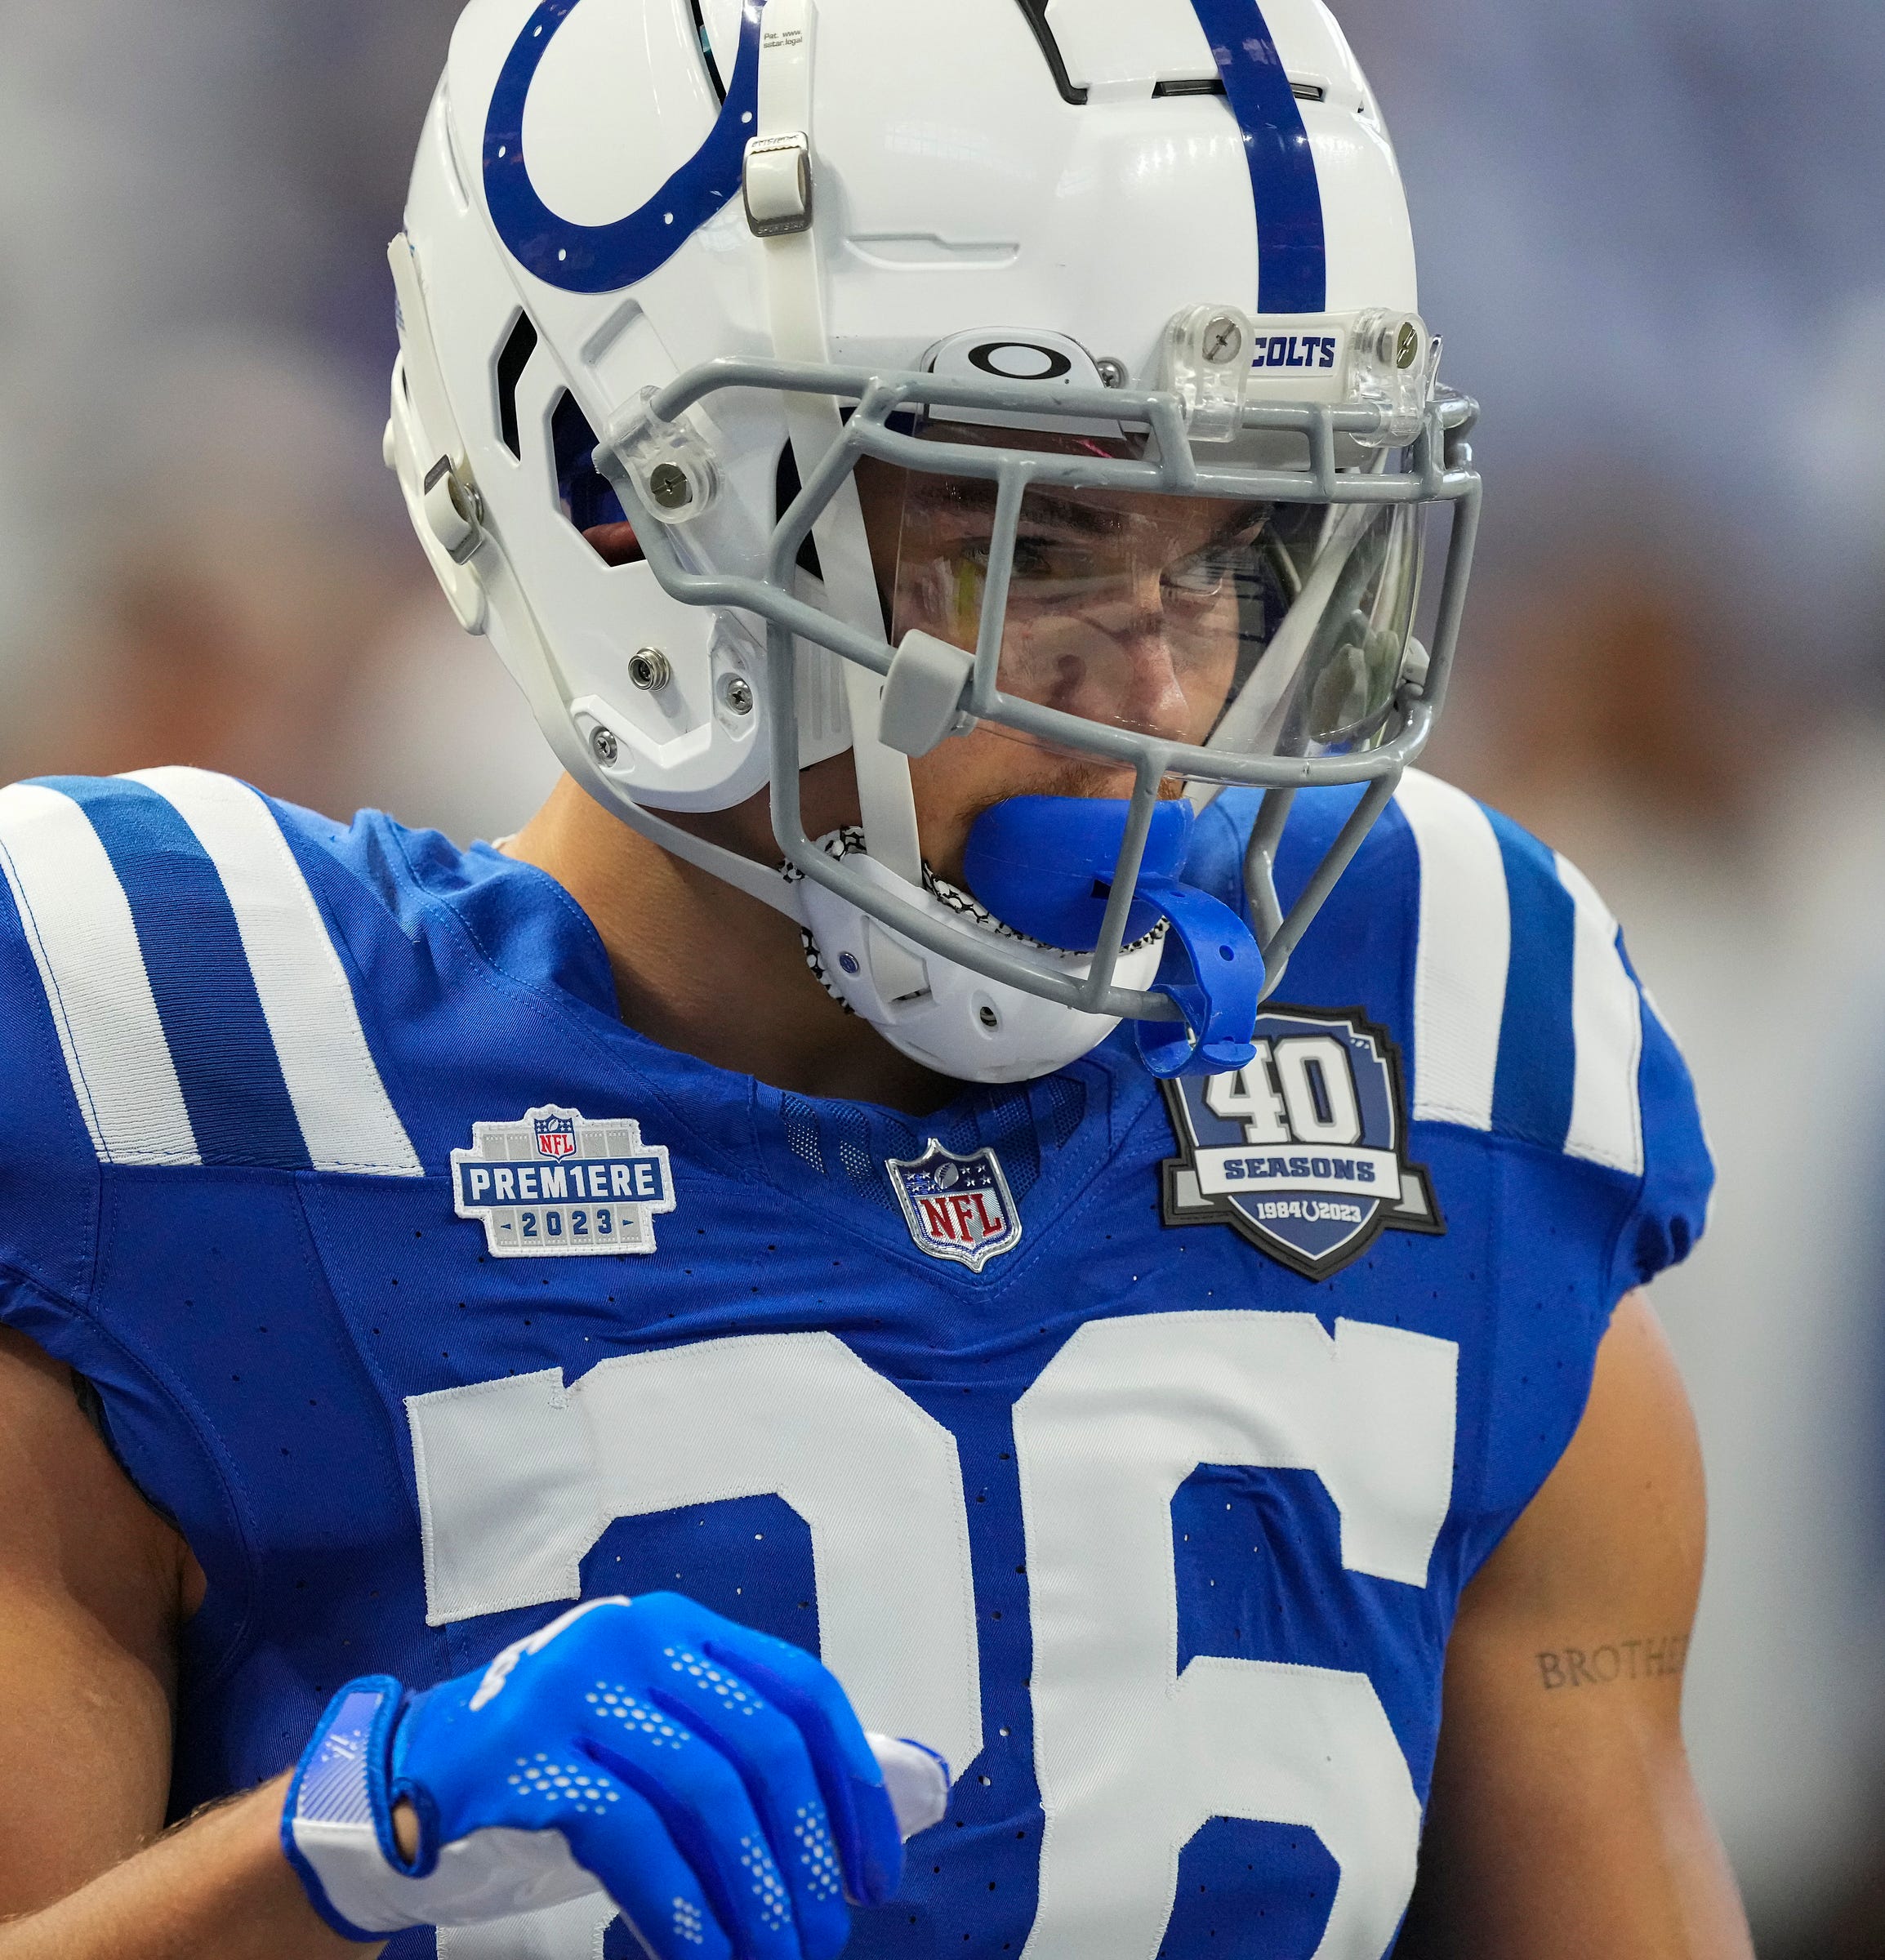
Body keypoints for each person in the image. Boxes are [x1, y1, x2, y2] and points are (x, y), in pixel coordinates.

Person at [0, 2, 1753, 1957]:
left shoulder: (1447, 1036)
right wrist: (319, 1868)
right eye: (1039, 540)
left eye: (1231, 549)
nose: (1161, 704)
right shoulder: (193, 1081)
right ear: (622, 493)